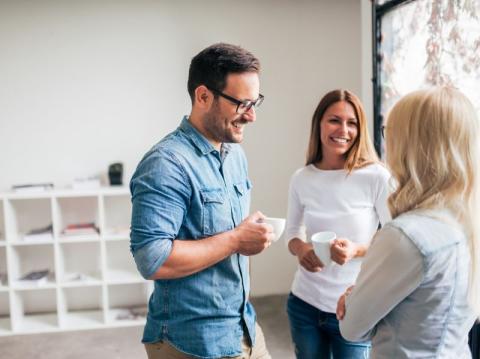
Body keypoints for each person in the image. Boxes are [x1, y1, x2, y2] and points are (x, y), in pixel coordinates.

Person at [130, 43, 274, 359]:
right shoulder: (165, 163)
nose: (251, 116)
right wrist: (237, 239)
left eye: (255, 102)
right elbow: (152, 258)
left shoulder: (235, 153)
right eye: (241, 103)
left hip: (243, 326)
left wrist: (248, 238)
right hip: (192, 342)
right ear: (203, 96)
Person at [337, 86, 480, 358]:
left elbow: (352, 328)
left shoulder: (405, 236)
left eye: (389, 133)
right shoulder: (468, 222)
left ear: (413, 145)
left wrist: (355, 299)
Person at [285, 89, 391, 358]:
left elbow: (395, 239)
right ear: (319, 123)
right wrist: (302, 250)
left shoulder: (376, 176)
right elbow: (293, 232)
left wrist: (356, 250)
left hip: (355, 306)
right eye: (334, 120)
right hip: (304, 304)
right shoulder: (302, 177)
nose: (343, 129)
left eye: (351, 122)